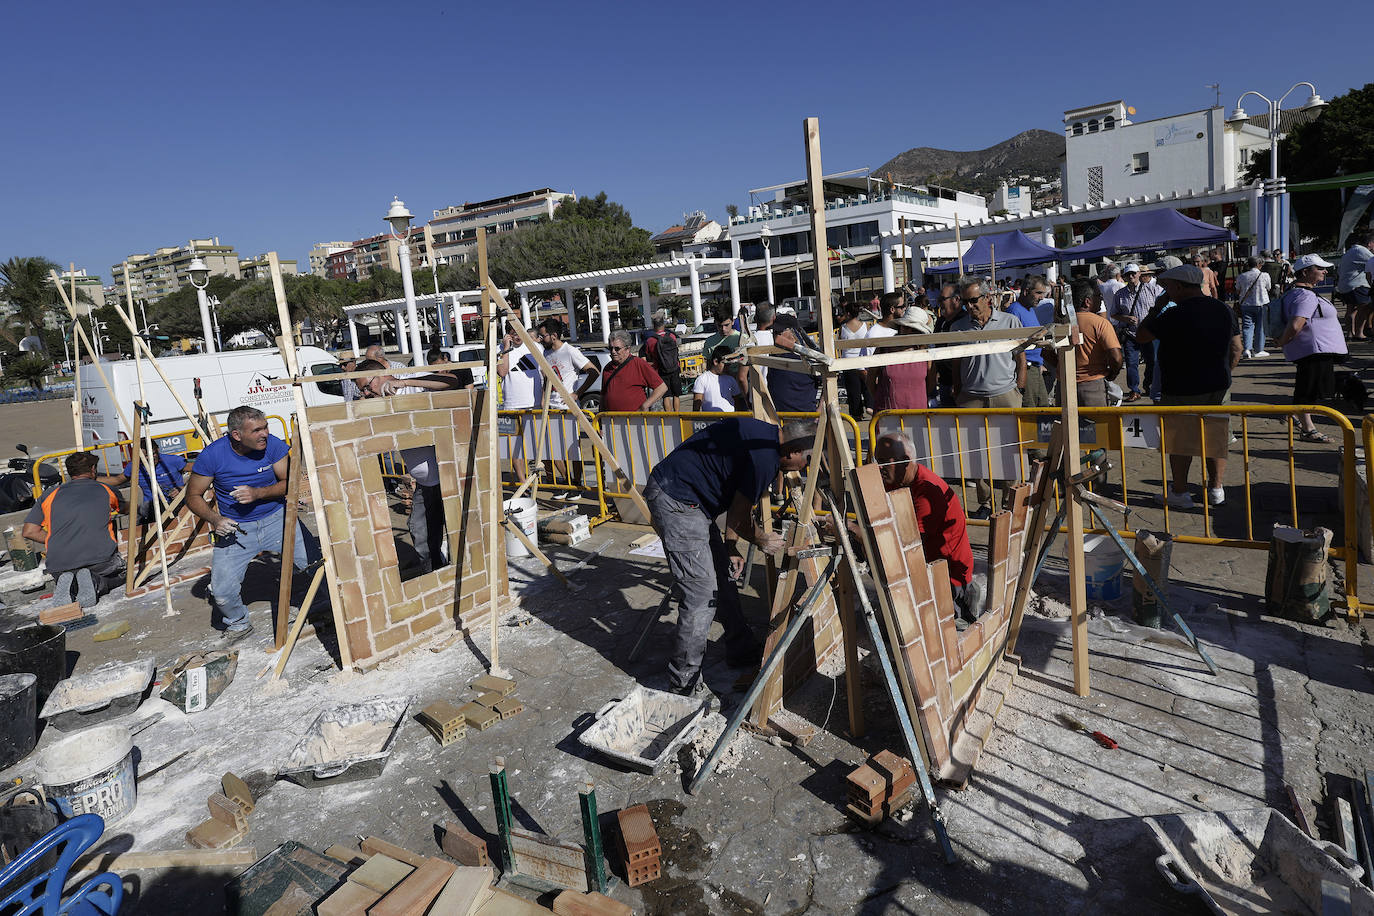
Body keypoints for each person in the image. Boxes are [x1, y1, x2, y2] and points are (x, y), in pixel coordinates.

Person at [644, 418, 814, 696]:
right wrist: (761, 539)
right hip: (676, 499)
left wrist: (731, 546)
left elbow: (739, 500)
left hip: (693, 501)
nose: (804, 469)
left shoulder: (765, 439)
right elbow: (740, 517)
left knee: (722, 575)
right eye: (806, 461)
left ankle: (740, 649)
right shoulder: (764, 457)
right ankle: (683, 683)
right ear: (793, 451)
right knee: (701, 593)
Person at [184, 406, 316, 640]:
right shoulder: (213, 455)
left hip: (277, 519)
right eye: (256, 430)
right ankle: (238, 623)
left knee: (317, 565)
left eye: (265, 427)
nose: (264, 433)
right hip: (236, 529)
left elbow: (291, 482)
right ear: (237, 435)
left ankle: (326, 604)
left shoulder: (273, 445)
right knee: (222, 592)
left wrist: (258, 493)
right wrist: (216, 519)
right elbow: (193, 496)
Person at [1136, 263, 1242, 509]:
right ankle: (1216, 489)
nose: (1166, 291)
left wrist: (1156, 308)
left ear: (1181, 287)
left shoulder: (1173, 314)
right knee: (1216, 438)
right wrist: (1226, 373)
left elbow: (1142, 336)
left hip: (1180, 388)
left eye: (1168, 287)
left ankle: (1181, 492)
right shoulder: (1223, 310)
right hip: (1217, 386)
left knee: (1180, 442)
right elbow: (1236, 348)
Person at [870, 432, 979, 624]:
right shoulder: (896, 480)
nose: (879, 468)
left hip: (948, 578)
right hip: (926, 566)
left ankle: (961, 606)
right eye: (877, 461)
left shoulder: (928, 491)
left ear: (905, 461)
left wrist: (862, 534)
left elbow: (908, 544)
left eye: (884, 462)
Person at [355, 360, 448, 574]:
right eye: (363, 390)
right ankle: (436, 572)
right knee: (420, 530)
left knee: (456, 527)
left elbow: (450, 380)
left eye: (367, 387)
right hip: (426, 483)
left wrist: (405, 383)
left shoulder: (411, 384)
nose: (367, 393)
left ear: (381, 375)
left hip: (448, 477)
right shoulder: (379, 403)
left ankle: (456, 574)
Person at [949, 276, 1025, 518]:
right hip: (971, 396)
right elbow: (956, 364)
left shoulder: (1010, 321)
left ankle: (1009, 499)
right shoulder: (958, 328)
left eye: (973, 301)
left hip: (1005, 394)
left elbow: (1021, 358)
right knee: (975, 453)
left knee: (1010, 451)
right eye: (965, 302)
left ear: (987, 297)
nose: (969, 307)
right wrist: (959, 390)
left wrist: (1018, 390)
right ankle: (985, 502)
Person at [23, 452, 125, 608]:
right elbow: (127, 509)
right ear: (93, 469)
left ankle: (72, 587)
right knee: (121, 575)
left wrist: (57, 538)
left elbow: (29, 531)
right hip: (99, 561)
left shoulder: (50, 494)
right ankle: (95, 582)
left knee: (70, 576)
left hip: (59, 565)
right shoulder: (106, 489)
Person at [1275, 254, 1348, 443]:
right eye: (1320, 268)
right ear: (1306, 272)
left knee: (1309, 386)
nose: (1325, 271)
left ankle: (1294, 415)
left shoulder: (1300, 293)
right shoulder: (1304, 295)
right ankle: (1307, 429)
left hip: (1315, 349)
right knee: (1308, 389)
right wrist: (1283, 341)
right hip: (1313, 350)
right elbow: (1296, 324)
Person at [100, 440, 188, 522]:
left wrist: (183, 488)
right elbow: (117, 480)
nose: (150, 458)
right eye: (145, 456)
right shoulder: (134, 467)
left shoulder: (171, 460)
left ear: (157, 450)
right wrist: (90, 478)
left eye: (153, 453)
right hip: (151, 507)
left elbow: (199, 471)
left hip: (178, 503)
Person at [1110, 263, 1161, 401]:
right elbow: (1113, 314)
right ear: (1124, 276)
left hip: (1148, 334)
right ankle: (1134, 390)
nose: (1131, 276)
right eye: (1128, 274)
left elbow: (1163, 307)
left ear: (1139, 274)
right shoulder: (1120, 294)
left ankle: (1148, 384)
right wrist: (1125, 318)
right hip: (1130, 334)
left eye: (1133, 273)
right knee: (1132, 363)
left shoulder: (1153, 289)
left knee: (1152, 362)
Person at [1068, 279, 1123, 407]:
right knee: (1096, 426)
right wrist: (1112, 374)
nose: (1101, 300)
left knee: (1064, 426)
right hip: (1092, 386)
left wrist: (1065, 369)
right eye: (1099, 296)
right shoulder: (1100, 323)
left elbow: (1047, 354)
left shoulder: (1060, 322)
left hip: (1064, 385)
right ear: (1087, 301)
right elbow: (1116, 358)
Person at [870, 305, 936, 411]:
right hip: (887, 416)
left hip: (917, 416)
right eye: (906, 327)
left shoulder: (926, 354)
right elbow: (870, 380)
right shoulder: (883, 349)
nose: (908, 332)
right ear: (900, 327)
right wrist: (882, 399)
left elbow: (931, 383)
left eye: (914, 329)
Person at [1004, 283, 1052, 410]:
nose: (1042, 297)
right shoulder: (1014, 311)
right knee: (1030, 409)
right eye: (1039, 293)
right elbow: (1013, 343)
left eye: (1043, 294)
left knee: (1043, 406)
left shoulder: (1029, 309)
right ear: (1026, 291)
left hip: (1035, 367)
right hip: (1026, 368)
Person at [535, 318, 598, 410]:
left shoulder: (570, 351)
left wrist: (577, 394)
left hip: (567, 408)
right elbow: (547, 378)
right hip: (550, 407)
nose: (540, 340)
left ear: (554, 336)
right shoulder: (546, 353)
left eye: (543, 336)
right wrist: (543, 399)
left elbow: (594, 372)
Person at [601, 330, 667, 412]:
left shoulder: (638, 363)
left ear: (627, 349)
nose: (613, 352)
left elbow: (661, 387)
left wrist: (644, 406)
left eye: (617, 349)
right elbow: (603, 396)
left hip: (635, 421)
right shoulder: (607, 368)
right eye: (611, 348)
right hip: (612, 421)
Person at [1336, 233, 1373, 341]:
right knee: (1364, 308)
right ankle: (1359, 333)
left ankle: (1350, 334)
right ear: (1370, 243)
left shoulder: (1349, 252)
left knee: (1350, 310)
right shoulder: (1361, 251)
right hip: (1357, 284)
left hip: (1345, 285)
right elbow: (1373, 261)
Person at [1234, 256, 1273, 358]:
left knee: (1247, 327)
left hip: (1246, 304)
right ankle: (1259, 349)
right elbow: (1268, 288)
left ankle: (1247, 349)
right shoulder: (1264, 275)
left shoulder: (1242, 276)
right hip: (1262, 303)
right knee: (1261, 327)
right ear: (1259, 265)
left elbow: (1238, 290)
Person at [642, 315, 682, 411]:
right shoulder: (672, 336)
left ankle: (669, 417)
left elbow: (648, 355)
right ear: (663, 324)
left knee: (666, 396)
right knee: (676, 395)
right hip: (675, 367)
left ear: (653, 326)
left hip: (661, 370)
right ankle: (677, 414)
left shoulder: (650, 341)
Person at [838, 299, 870, 417]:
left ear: (848, 313)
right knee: (866, 387)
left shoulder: (843, 328)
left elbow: (841, 343)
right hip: (862, 360)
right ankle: (870, 406)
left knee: (853, 391)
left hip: (847, 362)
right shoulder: (864, 326)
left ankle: (856, 413)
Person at [497, 326, 541, 410]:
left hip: (535, 402)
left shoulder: (536, 347)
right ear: (508, 335)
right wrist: (506, 348)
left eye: (520, 333)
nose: (518, 337)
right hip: (512, 404)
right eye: (515, 334)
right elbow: (502, 372)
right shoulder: (500, 349)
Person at [693, 345, 741, 411]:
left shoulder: (731, 379)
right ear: (715, 361)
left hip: (731, 419)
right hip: (711, 420)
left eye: (729, 364)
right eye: (725, 363)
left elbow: (737, 401)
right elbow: (696, 405)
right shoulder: (702, 379)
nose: (727, 366)